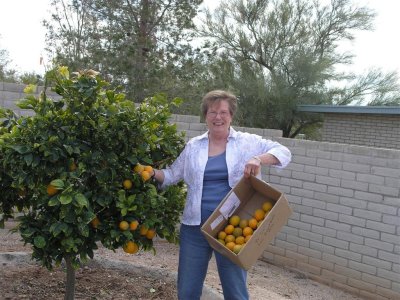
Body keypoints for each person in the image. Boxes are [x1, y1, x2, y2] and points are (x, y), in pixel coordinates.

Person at [150, 90, 291, 300]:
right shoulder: (194, 146)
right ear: (205, 116)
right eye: (212, 112)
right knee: (187, 290)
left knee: (235, 291)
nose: (218, 117)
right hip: (194, 228)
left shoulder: (247, 142)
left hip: (231, 229)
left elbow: (284, 152)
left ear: (231, 116)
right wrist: (152, 173)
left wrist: (258, 159)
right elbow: (171, 174)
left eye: (223, 112)